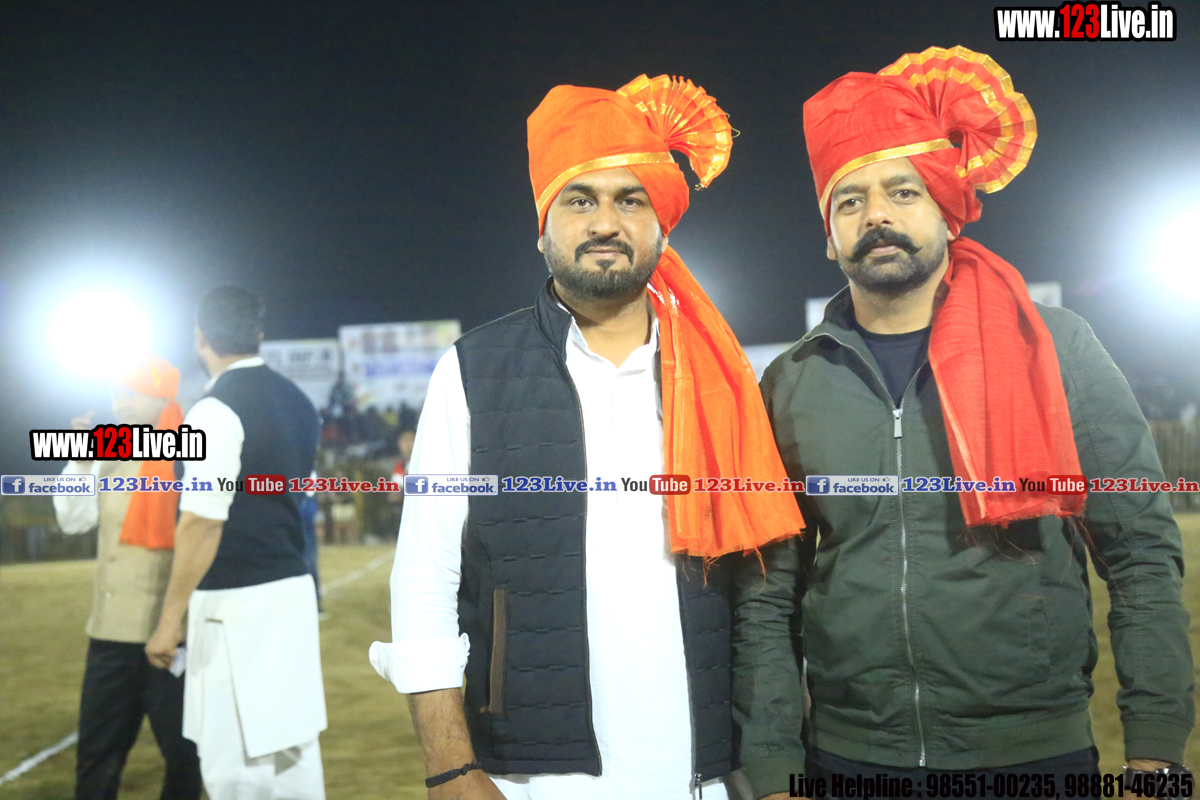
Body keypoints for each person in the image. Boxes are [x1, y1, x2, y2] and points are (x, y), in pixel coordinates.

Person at [734, 46, 1195, 799]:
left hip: (1031, 754)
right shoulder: (793, 380)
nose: (877, 215)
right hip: (849, 756)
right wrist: (772, 770)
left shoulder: (1053, 346)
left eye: (902, 190)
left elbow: (1139, 550)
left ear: (946, 209)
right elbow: (767, 593)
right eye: (849, 201)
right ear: (828, 235)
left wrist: (1155, 755)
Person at [368, 74, 802, 799]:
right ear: (543, 227)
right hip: (532, 775)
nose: (606, 222)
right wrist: (449, 766)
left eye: (630, 199)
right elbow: (425, 574)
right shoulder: (473, 371)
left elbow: (760, 592)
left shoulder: (721, 381)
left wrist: (770, 764)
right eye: (580, 199)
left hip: (702, 770)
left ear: (661, 225)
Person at [144, 285, 327, 799]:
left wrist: (169, 620)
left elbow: (202, 521)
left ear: (200, 337)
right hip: (291, 591)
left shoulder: (213, 410)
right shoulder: (298, 401)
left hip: (236, 604)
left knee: (235, 767)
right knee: (293, 755)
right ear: (259, 333)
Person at [53, 355, 202, 800]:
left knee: (185, 757)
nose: (119, 405)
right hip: (109, 634)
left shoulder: (193, 451)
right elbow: (73, 521)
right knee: (96, 756)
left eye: (130, 394)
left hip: (171, 636)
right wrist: (80, 462)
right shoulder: (106, 448)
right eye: (115, 394)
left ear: (160, 397)